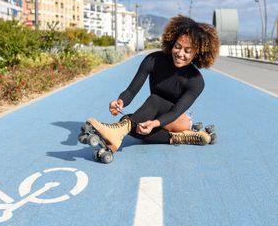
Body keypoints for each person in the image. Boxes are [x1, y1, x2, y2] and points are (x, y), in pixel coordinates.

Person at [86, 15, 220, 153]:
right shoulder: (153, 60)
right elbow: (131, 91)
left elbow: (175, 111)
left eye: (187, 51)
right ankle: (179, 138)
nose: (180, 53)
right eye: (177, 47)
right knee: (128, 120)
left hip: (178, 120)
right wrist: (121, 101)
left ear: (197, 53)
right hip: (154, 115)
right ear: (172, 43)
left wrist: (154, 123)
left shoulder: (196, 81)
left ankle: (117, 133)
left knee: (153, 101)